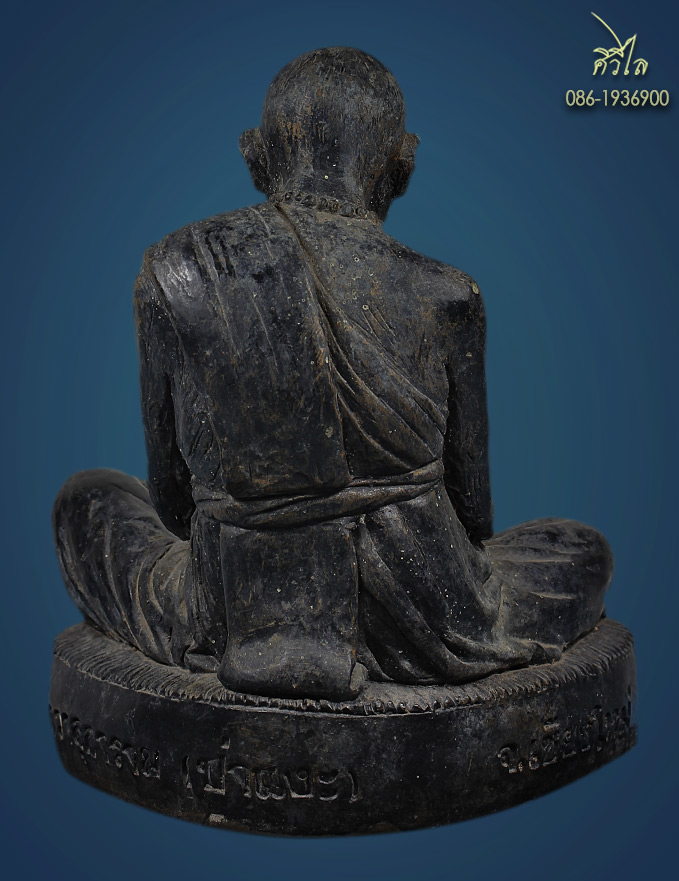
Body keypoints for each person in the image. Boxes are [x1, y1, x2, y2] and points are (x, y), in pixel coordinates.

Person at [53, 48, 613, 701]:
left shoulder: (178, 270)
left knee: (89, 499)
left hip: (230, 604)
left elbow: (174, 506)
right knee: (580, 551)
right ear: (402, 165)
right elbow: (472, 517)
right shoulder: (449, 295)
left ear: (254, 156)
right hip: (426, 618)